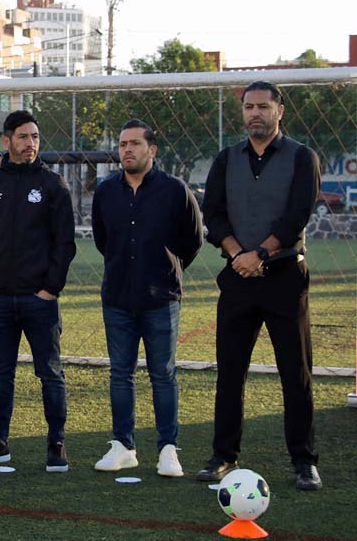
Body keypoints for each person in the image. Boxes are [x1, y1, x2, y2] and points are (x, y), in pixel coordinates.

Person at [198, 81, 322, 491]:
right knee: (230, 373)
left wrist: (261, 255)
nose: (255, 113)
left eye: (263, 106)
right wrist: (238, 254)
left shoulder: (302, 158)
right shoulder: (226, 159)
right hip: (238, 277)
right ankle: (224, 456)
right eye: (249, 107)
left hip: (285, 276)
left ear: (279, 111)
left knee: (295, 372)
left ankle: (304, 461)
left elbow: (296, 216)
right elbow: (213, 216)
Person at [91, 118, 202, 477]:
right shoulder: (106, 190)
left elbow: (192, 240)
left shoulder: (174, 189)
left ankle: (168, 449)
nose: (127, 150)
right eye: (122, 144)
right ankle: (123, 446)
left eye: (134, 143)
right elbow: (102, 239)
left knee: (163, 375)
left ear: (151, 150)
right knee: (120, 374)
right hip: (118, 297)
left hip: (161, 297)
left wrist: (166, 267)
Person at [0, 109, 76, 472]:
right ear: (7, 141)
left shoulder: (52, 185)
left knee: (50, 372)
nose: (30, 144)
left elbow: (64, 244)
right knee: (1, 372)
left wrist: (50, 290)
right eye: (24, 137)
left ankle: (56, 443)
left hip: (39, 300)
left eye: (35, 137)